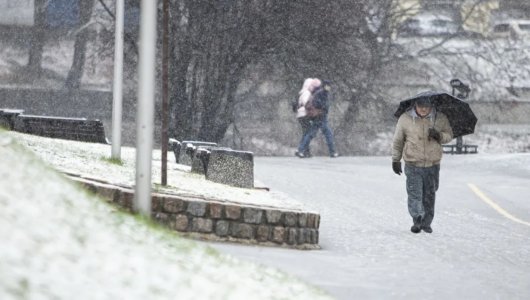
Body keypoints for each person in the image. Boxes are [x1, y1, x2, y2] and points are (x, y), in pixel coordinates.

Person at [391, 96, 453, 234]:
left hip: (433, 164)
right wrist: (396, 159)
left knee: (430, 194)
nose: (424, 109)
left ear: (431, 106)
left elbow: (449, 135)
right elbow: (398, 140)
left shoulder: (440, 118)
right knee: (415, 193)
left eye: (426, 106)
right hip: (413, 163)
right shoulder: (405, 119)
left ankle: (426, 223)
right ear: (415, 105)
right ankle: (417, 218)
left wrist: (439, 136)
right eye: (420, 106)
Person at [295, 79, 339, 158]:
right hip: (320, 117)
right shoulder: (320, 93)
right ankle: (332, 152)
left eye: (329, 86)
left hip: (319, 117)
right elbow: (316, 103)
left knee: (310, 134)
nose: (328, 88)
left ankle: (300, 150)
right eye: (327, 86)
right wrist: (323, 108)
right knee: (326, 134)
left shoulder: (321, 93)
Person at [294, 78, 321, 157]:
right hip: (304, 115)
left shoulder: (302, 93)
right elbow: (307, 104)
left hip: (300, 115)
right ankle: (301, 149)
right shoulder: (307, 93)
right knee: (308, 133)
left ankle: (305, 151)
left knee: (306, 133)